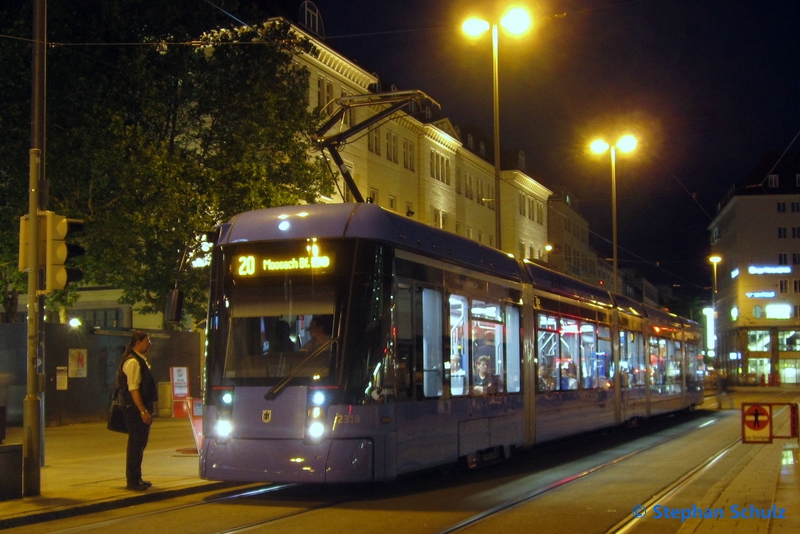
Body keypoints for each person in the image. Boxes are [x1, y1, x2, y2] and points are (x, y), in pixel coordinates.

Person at [116, 330, 158, 491]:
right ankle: (132, 481)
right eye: (147, 341)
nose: (149, 344)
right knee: (136, 444)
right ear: (138, 343)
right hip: (134, 410)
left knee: (139, 444)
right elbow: (134, 389)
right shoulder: (133, 362)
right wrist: (142, 411)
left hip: (138, 408)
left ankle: (137, 478)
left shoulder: (139, 360)